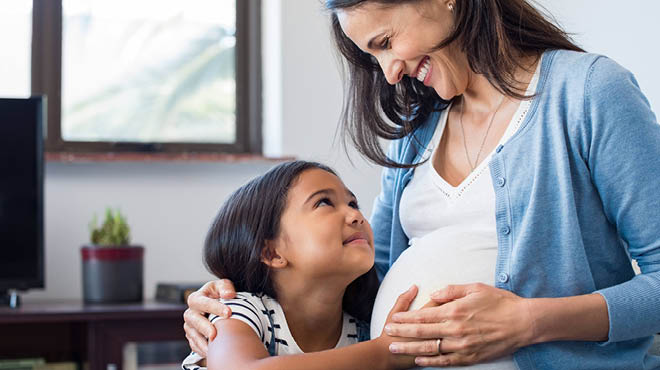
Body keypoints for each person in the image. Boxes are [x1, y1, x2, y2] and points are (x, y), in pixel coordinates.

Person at [183, 0, 660, 369]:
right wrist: (234, 302)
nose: (389, 73)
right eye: (374, 57)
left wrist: (527, 322)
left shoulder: (589, 94)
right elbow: (368, 278)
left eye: (386, 41)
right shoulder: (415, 135)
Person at [181, 160, 424, 370]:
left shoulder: (362, 331)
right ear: (272, 252)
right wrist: (383, 354)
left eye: (352, 203)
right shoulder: (240, 313)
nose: (356, 216)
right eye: (324, 203)